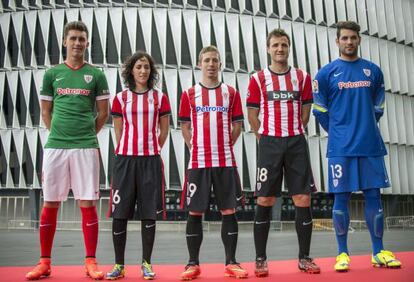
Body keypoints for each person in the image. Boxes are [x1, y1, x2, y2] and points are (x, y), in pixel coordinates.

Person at [312, 21, 402, 272]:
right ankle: (342, 254)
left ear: (359, 40)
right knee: (341, 199)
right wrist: (340, 132)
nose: (349, 42)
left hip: (370, 145)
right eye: (344, 38)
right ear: (337, 41)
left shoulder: (373, 71)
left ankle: (378, 252)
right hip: (341, 149)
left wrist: (363, 128)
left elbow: (379, 107)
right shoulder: (326, 73)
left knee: (374, 197)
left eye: (353, 38)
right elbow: (319, 111)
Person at [25, 21, 109, 280]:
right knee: (50, 202)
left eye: (82, 39)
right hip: (56, 147)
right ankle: (44, 262)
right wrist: (59, 134)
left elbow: (103, 113)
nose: (77, 43)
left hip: (85, 147)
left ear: (87, 43)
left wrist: (84, 134)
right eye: (72, 38)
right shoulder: (52, 74)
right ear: (64, 42)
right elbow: (45, 112)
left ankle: (90, 262)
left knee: (87, 202)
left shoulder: (96, 75)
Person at [246, 28, 320, 277]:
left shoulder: (302, 77)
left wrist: (294, 130)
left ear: (289, 48)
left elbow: (306, 111)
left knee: (303, 199)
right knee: (265, 199)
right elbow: (252, 115)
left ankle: (305, 257)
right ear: (268, 48)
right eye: (275, 45)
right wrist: (264, 137)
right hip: (270, 144)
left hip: (296, 143)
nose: (280, 49)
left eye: (284, 45)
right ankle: (260, 259)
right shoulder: (258, 79)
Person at [178, 46, 248, 280]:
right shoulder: (189, 94)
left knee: (229, 210)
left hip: (225, 161)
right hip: (198, 162)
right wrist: (193, 147)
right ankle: (192, 263)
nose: (211, 64)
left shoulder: (231, 92)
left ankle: (231, 262)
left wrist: (228, 143)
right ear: (200, 64)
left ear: (220, 64)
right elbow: (185, 126)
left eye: (215, 60)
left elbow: (238, 124)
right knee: (195, 211)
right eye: (206, 60)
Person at [105, 51, 171, 280]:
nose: (143, 71)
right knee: (120, 214)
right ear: (131, 70)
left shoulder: (160, 97)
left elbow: (164, 131)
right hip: (125, 160)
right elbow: (118, 130)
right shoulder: (120, 98)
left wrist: (152, 148)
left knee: (149, 214)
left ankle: (146, 263)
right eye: (139, 67)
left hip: (150, 160)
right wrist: (128, 149)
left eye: (147, 67)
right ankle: (119, 265)